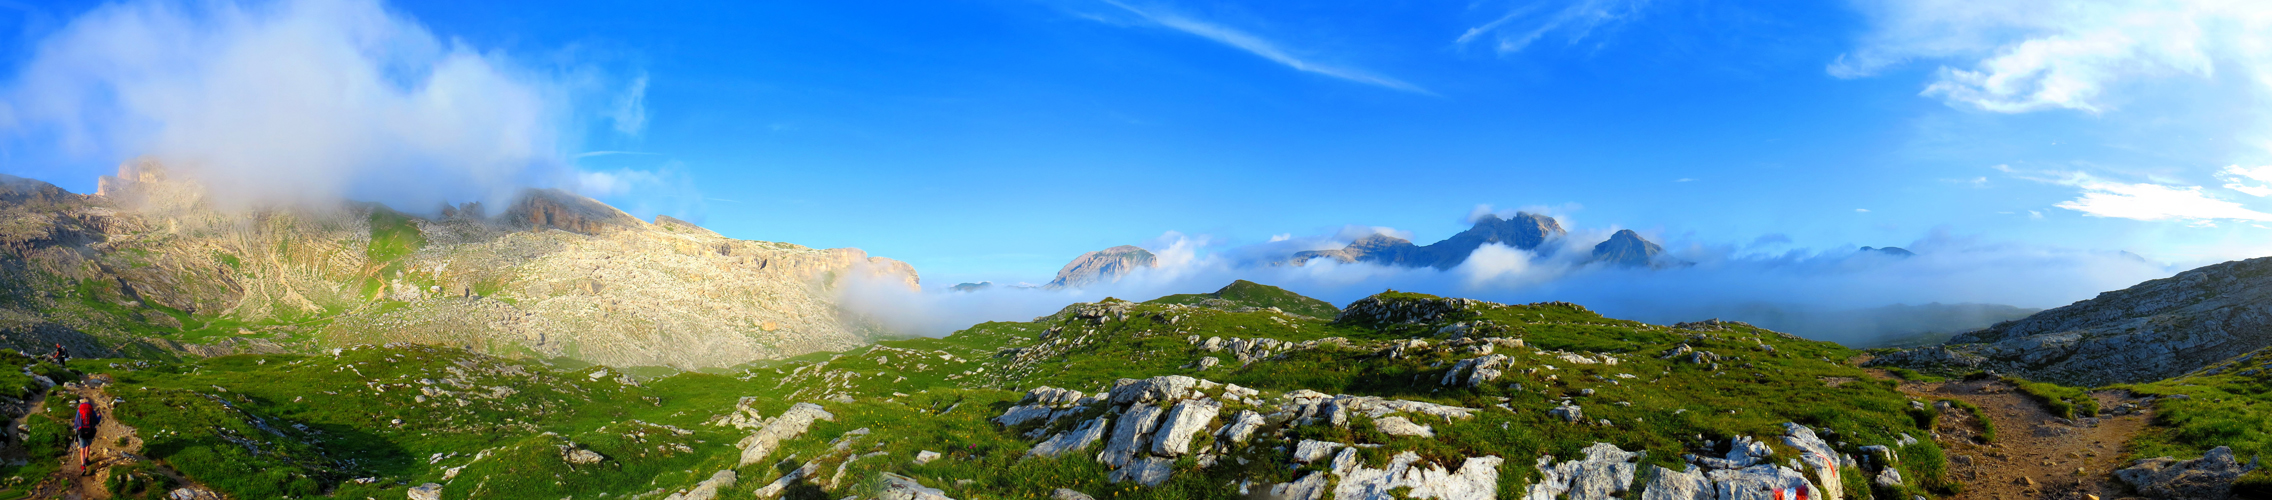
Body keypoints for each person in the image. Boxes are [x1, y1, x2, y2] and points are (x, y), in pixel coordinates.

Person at [72, 399, 97, 474]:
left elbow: (76, 422)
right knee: (88, 445)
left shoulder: (79, 410)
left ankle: (83, 466)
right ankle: (86, 459)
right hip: (90, 431)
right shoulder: (92, 411)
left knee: (82, 449)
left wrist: (77, 429)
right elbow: (96, 421)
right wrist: (99, 416)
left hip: (81, 431)